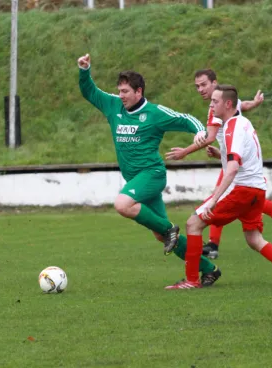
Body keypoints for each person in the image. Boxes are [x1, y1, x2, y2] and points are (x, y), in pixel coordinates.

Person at [77, 54, 221, 287]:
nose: (121, 96)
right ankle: (209, 269)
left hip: (152, 175)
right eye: (120, 91)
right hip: (136, 178)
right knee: (160, 235)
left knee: (122, 204)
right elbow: (90, 92)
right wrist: (84, 71)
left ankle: (170, 229)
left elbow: (185, 119)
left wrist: (198, 133)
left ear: (139, 92)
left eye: (125, 91)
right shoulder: (114, 105)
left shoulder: (155, 113)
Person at [165, 85, 272, 289]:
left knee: (193, 223)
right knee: (254, 239)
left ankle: (192, 281)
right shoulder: (244, 123)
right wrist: (221, 156)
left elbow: (233, 169)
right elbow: (242, 160)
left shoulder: (231, 128)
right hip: (257, 190)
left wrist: (214, 199)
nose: (211, 105)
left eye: (215, 102)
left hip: (242, 190)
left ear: (228, 104)